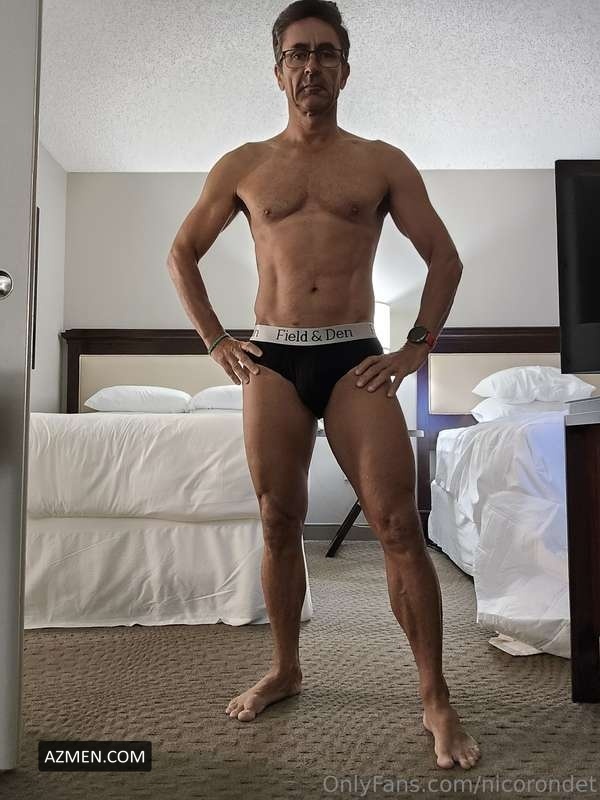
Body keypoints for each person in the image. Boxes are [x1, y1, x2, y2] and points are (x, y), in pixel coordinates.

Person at [167, 0, 480, 771]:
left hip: (354, 356)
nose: (312, 66)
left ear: (345, 68)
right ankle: (286, 668)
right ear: (279, 71)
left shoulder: (380, 163)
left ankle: (435, 696)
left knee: (398, 526)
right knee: (279, 520)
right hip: (272, 358)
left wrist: (415, 347)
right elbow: (181, 253)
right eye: (298, 53)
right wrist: (215, 339)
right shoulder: (242, 165)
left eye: (326, 53)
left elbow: (444, 258)